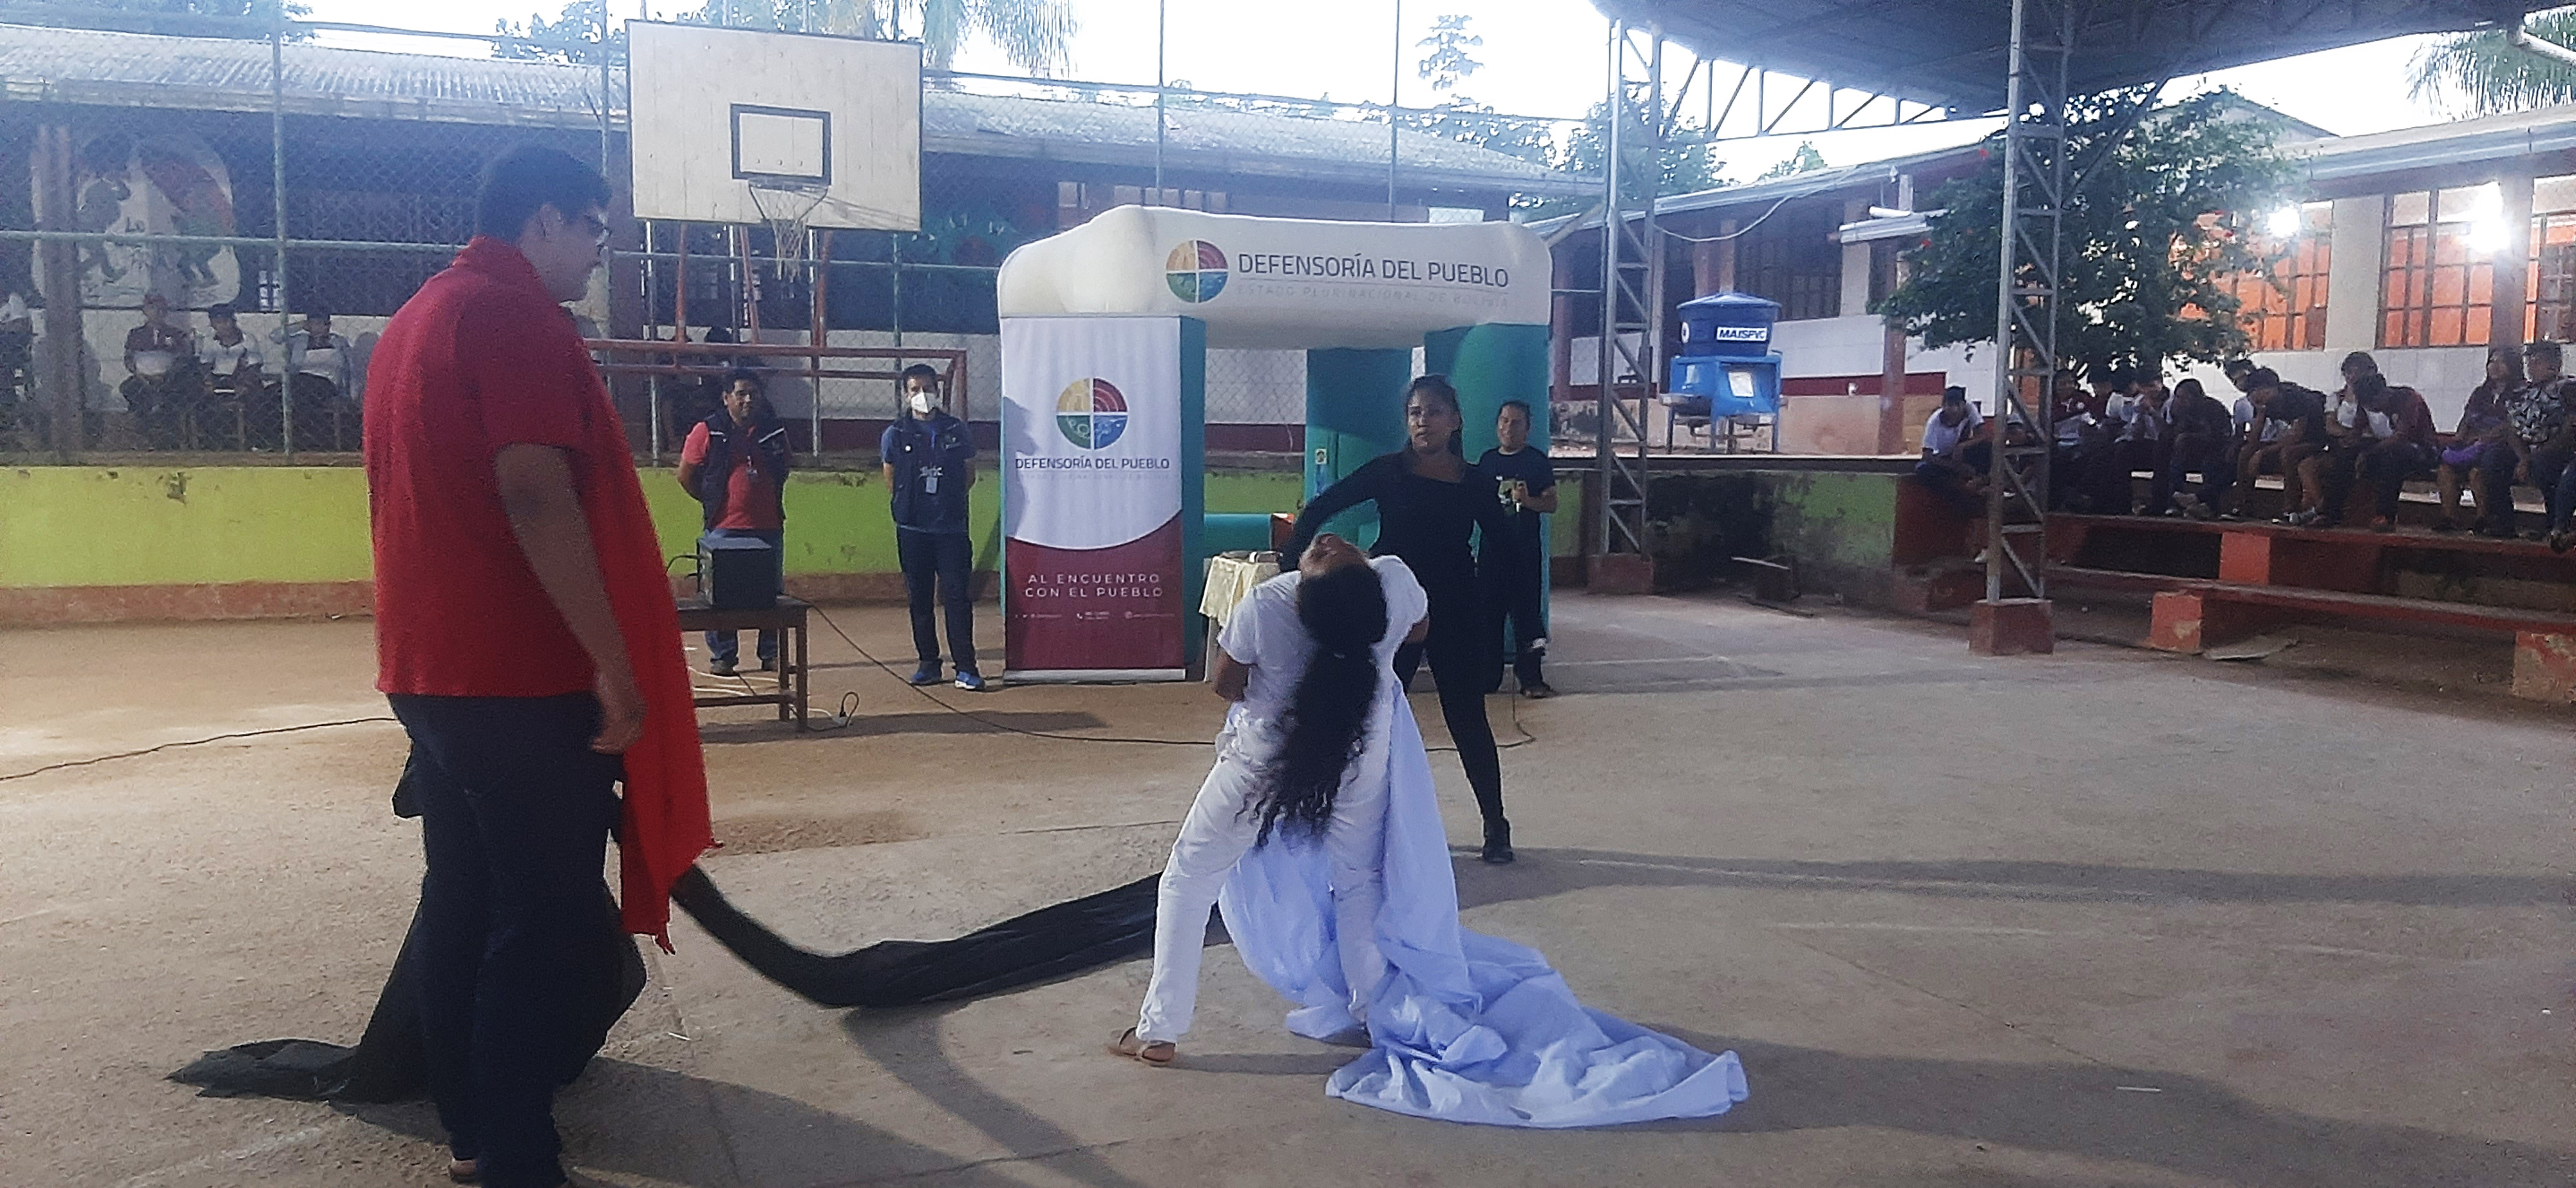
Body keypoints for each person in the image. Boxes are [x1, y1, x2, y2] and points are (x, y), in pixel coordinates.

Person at [1108, 532, 1747, 1128]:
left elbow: (1224, 683)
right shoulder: (1389, 583)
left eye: (1325, 557)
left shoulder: (1270, 601)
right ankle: (1369, 1012)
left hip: (1262, 759)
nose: (1326, 541)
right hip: (1364, 747)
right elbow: (1419, 625)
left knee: (1191, 877)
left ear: (1308, 589)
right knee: (1356, 882)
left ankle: (1161, 1027)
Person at [363, 144, 710, 1188]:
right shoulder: (510, 317)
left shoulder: (418, 316)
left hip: (428, 671)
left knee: (464, 893)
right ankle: (514, 1149)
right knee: (548, 912)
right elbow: (533, 493)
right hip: (511, 675)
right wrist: (613, 660)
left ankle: (472, 1126)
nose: (601, 251)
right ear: (546, 220)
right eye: (596, 228)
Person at [1288, 375, 1516, 865]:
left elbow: (1506, 549)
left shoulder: (1476, 482)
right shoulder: (1386, 472)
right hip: (1391, 612)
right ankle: (1358, 825)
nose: (1422, 420)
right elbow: (1319, 510)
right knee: (1376, 718)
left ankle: (1496, 825)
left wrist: (1497, 619)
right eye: (1415, 412)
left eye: (1434, 412)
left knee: (1467, 718)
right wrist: (1292, 571)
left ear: (1454, 421)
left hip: (1454, 608)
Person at [678, 369, 791, 676]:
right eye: (741, 393)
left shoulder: (773, 431)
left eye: (753, 393)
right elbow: (685, 476)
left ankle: (771, 655)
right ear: (726, 397)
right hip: (723, 529)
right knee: (721, 598)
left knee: (770, 594)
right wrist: (712, 501)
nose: (748, 400)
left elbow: (784, 468)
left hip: (768, 528)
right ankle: (724, 656)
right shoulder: (707, 430)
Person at [882, 363, 983, 691]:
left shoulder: (957, 430)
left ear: (937, 392)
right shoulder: (895, 434)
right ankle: (928, 664)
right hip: (913, 530)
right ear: (905, 394)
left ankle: (966, 667)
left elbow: (969, 474)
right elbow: (891, 477)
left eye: (927, 389)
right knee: (919, 599)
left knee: (957, 598)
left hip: (951, 530)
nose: (921, 395)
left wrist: (947, 503)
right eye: (914, 390)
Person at [1475, 399, 1556, 699]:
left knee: (1527, 618)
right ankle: (1487, 677)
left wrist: (1528, 500)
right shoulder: (1486, 462)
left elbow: (1552, 503)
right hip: (1491, 555)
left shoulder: (1536, 462)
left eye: (1516, 423)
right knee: (1487, 617)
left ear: (1528, 428)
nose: (1509, 428)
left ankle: (1531, 679)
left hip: (1524, 554)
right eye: (1504, 421)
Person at [2317, 371, 2439, 532]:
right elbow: (2358, 430)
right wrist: (2349, 443)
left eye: (2373, 405)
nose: (2373, 409)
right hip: (2382, 448)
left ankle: (2385, 516)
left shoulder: (2408, 399)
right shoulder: (2365, 404)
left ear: (2382, 395)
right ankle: (2330, 512)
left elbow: (2401, 437)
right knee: (2346, 456)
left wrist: (2368, 453)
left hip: (2420, 449)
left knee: (2393, 457)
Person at [2491, 340, 2572, 541]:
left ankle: (2556, 524)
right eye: (2530, 362)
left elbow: (2571, 429)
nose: (2532, 367)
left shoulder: (2567, 389)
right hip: (2527, 449)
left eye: (2538, 362)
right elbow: (2511, 428)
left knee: (2545, 464)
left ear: (2554, 364)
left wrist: (2534, 456)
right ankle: (2504, 521)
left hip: (2560, 449)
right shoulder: (2520, 393)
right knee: (2494, 460)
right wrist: (2524, 457)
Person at [2435, 347, 2520, 533]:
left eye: (2501, 362)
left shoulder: (2521, 393)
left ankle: (2483, 518)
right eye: (2492, 361)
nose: (2495, 366)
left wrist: (2484, 438)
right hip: (2472, 445)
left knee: (2477, 472)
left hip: (2500, 448)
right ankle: (2449, 518)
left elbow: (2512, 426)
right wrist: (2460, 439)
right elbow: (2466, 420)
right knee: (2446, 470)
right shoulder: (2480, 393)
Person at [2232, 369, 2327, 522]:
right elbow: (2255, 436)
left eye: (2256, 391)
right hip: (2290, 440)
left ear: (2269, 389)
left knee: (2288, 454)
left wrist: (2262, 453)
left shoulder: (2295, 398)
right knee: (2246, 451)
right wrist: (2252, 450)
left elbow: (2297, 435)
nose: (2252, 396)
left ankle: (2290, 508)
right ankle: (2242, 505)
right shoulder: (2263, 404)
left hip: (2313, 440)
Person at [121, 293, 197, 450]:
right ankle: (146, 433)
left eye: (161, 309)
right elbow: (129, 358)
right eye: (152, 308)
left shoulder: (177, 334)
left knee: (172, 394)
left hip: (169, 379)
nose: (157, 312)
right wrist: (139, 374)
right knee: (130, 389)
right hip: (143, 378)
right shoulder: (136, 334)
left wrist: (166, 375)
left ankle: (168, 435)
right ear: (145, 311)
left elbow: (182, 360)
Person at [2150, 378, 2235, 519]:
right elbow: (2174, 432)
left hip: (2215, 449)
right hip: (2189, 451)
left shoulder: (2213, 408)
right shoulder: (2178, 409)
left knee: (2210, 464)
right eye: (2177, 397)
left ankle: (2209, 506)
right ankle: (2173, 502)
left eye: (2184, 398)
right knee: (2170, 458)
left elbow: (2220, 437)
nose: (2180, 401)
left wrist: (2190, 437)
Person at [276, 309, 357, 449]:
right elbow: (275, 336)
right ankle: (297, 437)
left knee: (299, 391)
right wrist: (300, 325)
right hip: (300, 383)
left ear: (328, 325)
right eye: (313, 324)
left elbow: (351, 369)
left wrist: (349, 395)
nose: (317, 328)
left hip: (327, 384)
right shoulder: (300, 341)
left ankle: (306, 436)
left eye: (320, 324)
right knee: (281, 392)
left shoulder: (339, 342)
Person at [195, 302, 265, 449]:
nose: (223, 326)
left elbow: (254, 367)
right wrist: (208, 382)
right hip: (217, 380)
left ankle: (253, 441)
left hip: (241, 380)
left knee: (256, 399)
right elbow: (204, 366)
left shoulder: (248, 339)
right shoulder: (209, 340)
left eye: (226, 321)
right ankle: (211, 441)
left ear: (233, 321)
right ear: (213, 324)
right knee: (201, 403)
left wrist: (244, 385)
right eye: (218, 323)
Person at [1914, 385, 1991, 517]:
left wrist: (1962, 447)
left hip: (1961, 453)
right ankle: (1961, 498)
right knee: (1923, 470)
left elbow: (1983, 435)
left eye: (1957, 405)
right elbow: (1927, 455)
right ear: (1944, 406)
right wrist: (1956, 467)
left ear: (1963, 405)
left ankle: (1983, 480)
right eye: (1950, 406)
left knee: (1987, 447)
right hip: (1943, 460)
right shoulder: (1935, 422)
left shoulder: (1970, 409)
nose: (1954, 410)